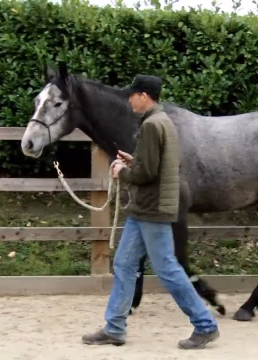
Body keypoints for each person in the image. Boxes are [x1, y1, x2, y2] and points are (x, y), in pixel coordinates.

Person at [81, 74, 220, 350]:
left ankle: (205, 325)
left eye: (132, 94)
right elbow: (155, 164)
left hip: (151, 208)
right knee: (123, 264)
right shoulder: (161, 121)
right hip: (144, 207)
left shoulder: (152, 125)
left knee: (167, 267)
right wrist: (134, 161)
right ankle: (115, 327)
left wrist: (124, 171)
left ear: (144, 96)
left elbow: (147, 174)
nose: (129, 99)